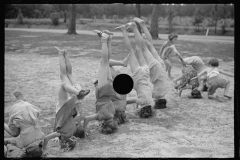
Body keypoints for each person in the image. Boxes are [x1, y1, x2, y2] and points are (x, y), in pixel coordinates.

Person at [114, 24, 155, 118]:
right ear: (141, 109)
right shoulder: (141, 102)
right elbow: (128, 101)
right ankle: (124, 30)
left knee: (139, 49)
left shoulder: (151, 102)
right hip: (138, 75)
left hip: (145, 72)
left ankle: (135, 28)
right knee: (130, 51)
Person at [132, 17, 168, 109]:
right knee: (143, 48)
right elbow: (146, 97)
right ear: (157, 102)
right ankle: (135, 28)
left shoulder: (164, 92)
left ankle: (143, 25)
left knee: (150, 45)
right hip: (156, 69)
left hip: (162, 68)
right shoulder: (156, 95)